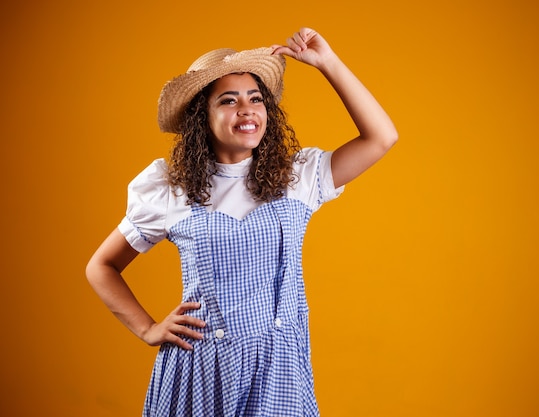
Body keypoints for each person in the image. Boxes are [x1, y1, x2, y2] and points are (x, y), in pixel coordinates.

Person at [86, 27, 397, 417]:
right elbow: (101, 267)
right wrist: (149, 329)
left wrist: (327, 63)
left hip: (278, 369)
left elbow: (381, 137)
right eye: (229, 101)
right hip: (202, 370)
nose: (247, 109)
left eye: (255, 99)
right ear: (203, 115)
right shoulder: (170, 190)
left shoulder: (297, 178)